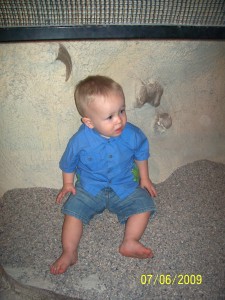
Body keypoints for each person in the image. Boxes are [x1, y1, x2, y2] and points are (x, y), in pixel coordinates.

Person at [50, 75, 157, 275]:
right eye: (110, 117)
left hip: (124, 185)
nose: (119, 120)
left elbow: (141, 154)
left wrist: (144, 178)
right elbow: (68, 162)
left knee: (144, 204)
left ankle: (130, 241)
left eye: (122, 111)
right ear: (89, 122)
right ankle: (69, 252)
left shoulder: (132, 134)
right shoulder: (79, 140)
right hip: (89, 188)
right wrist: (67, 183)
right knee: (72, 211)